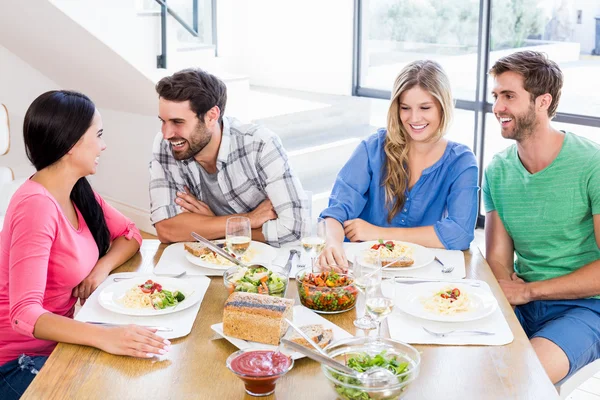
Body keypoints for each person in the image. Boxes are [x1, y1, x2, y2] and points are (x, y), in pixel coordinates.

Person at [0, 91, 170, 399]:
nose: (103, 145)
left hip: (62, 345)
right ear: (71, 143)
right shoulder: (36, 206)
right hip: (15, 364)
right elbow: (23, 315)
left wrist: (99, 269)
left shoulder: (76, 191)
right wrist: (105, 337)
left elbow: (130, 234)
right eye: (99, 135)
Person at [483, 50, 600, 384]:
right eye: (495, 96)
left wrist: (531, 292)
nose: (498, 107)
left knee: (520, 380)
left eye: (509, 96)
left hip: (586, 308)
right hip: (522, 304)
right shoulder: (497, 170)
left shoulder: (593, 164)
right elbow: (499, 261)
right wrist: (514, 295)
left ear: (542, 101)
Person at [319, 60, 479, 267]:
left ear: (443, 107)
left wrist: (377, 234)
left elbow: (460, 234)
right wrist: (332, 243)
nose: (414, 118)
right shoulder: (373, 148)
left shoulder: (462, 161)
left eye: (425, 107)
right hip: (360, 269)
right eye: (405, 108)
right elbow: (335, 213)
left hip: (421, 272)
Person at [149, 68, 308, 246]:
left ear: (211, 116)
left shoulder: (258, 144)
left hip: (265, 263)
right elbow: (167, 229)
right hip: (206, 260)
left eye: (178, 122)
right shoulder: (167, 145)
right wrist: (247, 220)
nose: (166, 133)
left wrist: (210, 226)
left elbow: (295, 229)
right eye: (163, 121)